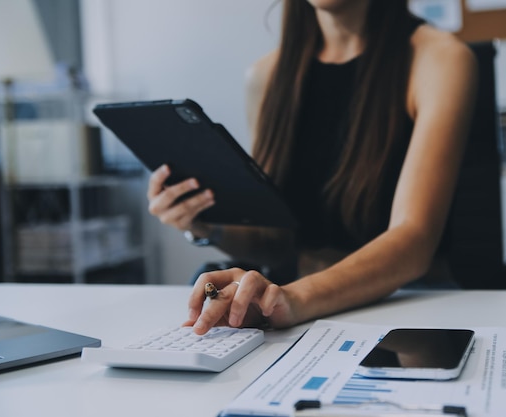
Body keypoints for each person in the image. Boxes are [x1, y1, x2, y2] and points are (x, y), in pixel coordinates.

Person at [146, 0, 478, 335]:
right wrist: (205, 224)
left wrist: (292, 298)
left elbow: (413, 241)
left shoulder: (440, 59)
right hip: (302, 308)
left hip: (408, 305)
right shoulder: (267, 75)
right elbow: (276, 240)